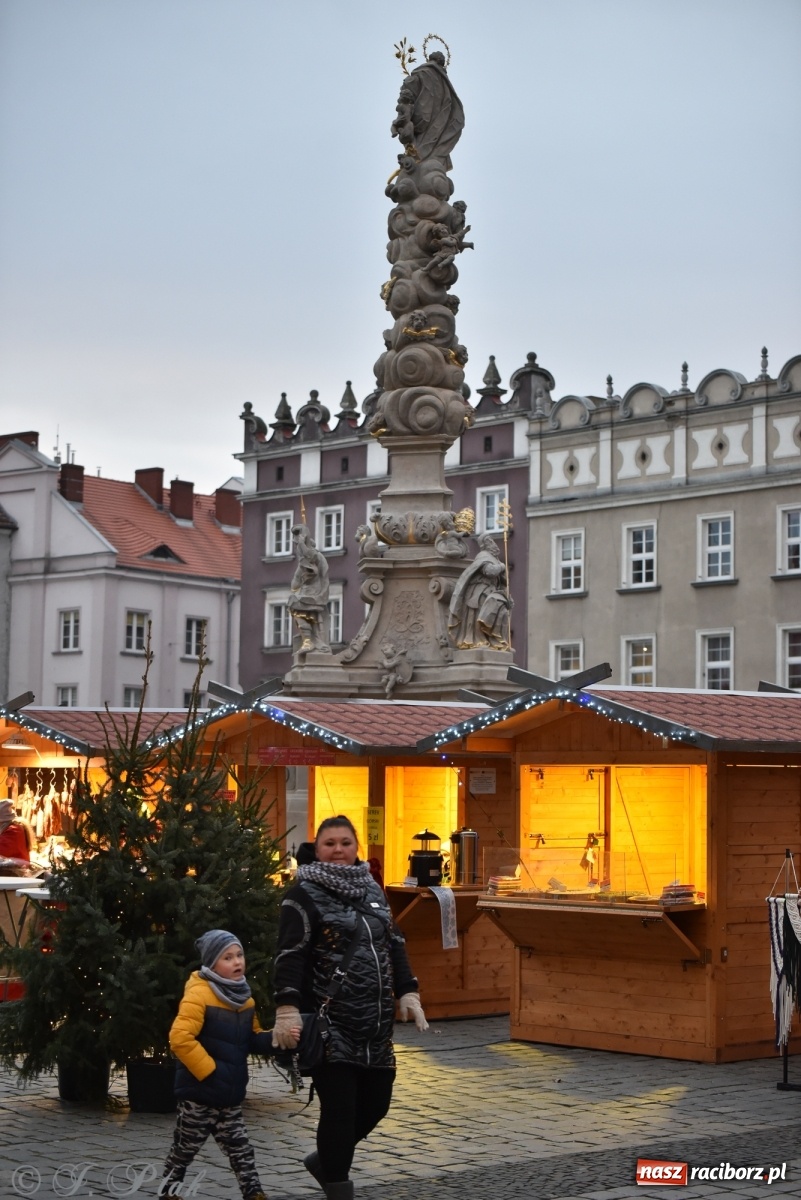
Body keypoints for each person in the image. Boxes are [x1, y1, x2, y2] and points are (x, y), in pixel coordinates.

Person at [272, 816, 428, 1199]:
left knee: (377, 1103)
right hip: (331, 1025)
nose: (338, 850)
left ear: (356, 847)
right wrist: (287, 1009)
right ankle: (338, 1185)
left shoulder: (373, 889)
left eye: (345, 842)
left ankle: (325, 1160)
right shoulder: (303, 894)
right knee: (340, 1111)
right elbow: (289, 955)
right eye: (330, 843)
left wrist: (409, 992)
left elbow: (395, 943)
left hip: (376, 1026)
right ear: (317, 848)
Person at [163, 930, 273, 1200]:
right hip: (199, 1095)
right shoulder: (199, 995)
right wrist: (209, 1071)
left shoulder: (245, 1000)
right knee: (185, 1148)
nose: (237, 962)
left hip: (229, 1095)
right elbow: (180, 1038)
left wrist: (278, 1039)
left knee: (241, 1149)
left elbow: (252, 1039)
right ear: (212, 963)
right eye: (228, 957)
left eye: (239, 955)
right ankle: (168, 1191)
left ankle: (254, 1192)